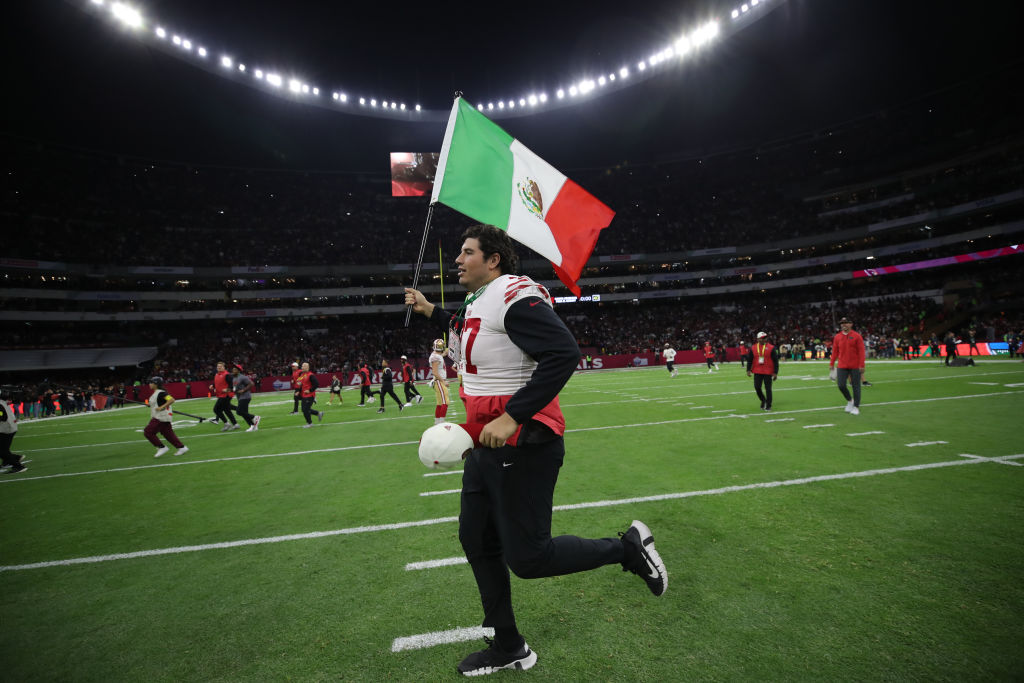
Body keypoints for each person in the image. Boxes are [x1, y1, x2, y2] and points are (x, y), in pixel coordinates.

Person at [404, 224, 667, 676]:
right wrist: (431, 311)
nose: (458, 260)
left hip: (523, 441)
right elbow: (466, 327)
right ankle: (509, 646)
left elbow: (564, 352)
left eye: (468, 253)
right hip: (485, 441)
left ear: (494, 261)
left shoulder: (513, 294)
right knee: (476, 540)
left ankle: (627, 548)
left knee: (528, 559)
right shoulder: (478, 300)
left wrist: (513, 416)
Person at [143, 376, 189, 458]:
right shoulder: (158, 392)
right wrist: (151, 405)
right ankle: (182, 448)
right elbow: (158, 402)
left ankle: (161, 447)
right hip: (163, 417)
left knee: (148, 432)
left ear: (156, 384)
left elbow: (171, 400)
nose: (149, 384)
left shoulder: (161, 392)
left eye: (151, 383)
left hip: (161, 417)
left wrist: (161, 407)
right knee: (168, 434)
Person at [830, 316, 866, 415]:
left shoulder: (857, 336)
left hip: (855, 365)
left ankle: (856, 407)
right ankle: (850, 401)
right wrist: (832, 363)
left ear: (851, 324)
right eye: (842, 323)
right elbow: (835, 351)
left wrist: (862, 365)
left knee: (856, 386)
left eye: (846, 323)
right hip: (842, 365)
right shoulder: (837, 337)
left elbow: (861, 352)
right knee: (841, 385)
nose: (843, 325)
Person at [746, 331, 779, 411]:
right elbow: (749, 360)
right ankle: (763, 400)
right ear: (758, 339)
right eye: (762, 338)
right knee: (757, 387)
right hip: (757, 370)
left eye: (765, 338)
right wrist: (748, 369)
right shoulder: (753, 348)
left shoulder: (771, 347)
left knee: (768, 388)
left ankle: (768, 405)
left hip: (768, 371)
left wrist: (775, 372)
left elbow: (775, 361)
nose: (764, 339)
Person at [0, 389, 28, 474]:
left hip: (6, 429)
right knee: (4, 449)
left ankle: (18, 465)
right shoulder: (2, 402)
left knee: (2, 451)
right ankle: (12, 460)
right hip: (9, 427)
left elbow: (2, 416)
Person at [231, 363, 261, 432]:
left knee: (239, 412)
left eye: (235, 369)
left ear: (238, 370)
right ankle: (252, 426)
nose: (233, 370)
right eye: (233, 369)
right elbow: (235, 388)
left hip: (245, 396)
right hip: (240, 397)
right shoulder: (234, 378)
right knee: (245, 413)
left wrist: (244, 390)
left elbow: (252, 383)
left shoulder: (242, 377)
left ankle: (255, 417)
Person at [211, 362, 239, 431]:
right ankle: (235, 424)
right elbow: (216, 382)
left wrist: (227, 389)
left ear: (224, 367)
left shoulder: (227, 375)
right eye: (218, 366)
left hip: (226, 395)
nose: (219, 367)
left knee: (216, 409)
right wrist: (213, 386)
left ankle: (227, 423)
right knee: (227, 410)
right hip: (221, 395)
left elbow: (232, 385)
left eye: (220, 366)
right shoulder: (217, 374)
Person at [429, 338, 451, 424]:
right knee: (445, 402)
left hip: (438, 381)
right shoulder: (435, 357)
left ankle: (437, 422)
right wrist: (444, 381)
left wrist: (447, 350)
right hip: (439, 381)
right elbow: (435, 372)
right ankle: (441, 422)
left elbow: (442, 355)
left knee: (439, 403)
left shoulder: (436, 355)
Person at [296, 362, 324, 428]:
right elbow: (301, 385)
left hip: (309, 395)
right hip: (304, 395)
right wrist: (298, 391)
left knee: (305, 409)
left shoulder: (311, 375)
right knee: (304, 409)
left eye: (304, 366)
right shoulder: (302, 375)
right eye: (302, 366)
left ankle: (310, 423)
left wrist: (309, 390)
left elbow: (316, 384)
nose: (302, 367)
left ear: (307, 367)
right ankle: (318, 413)